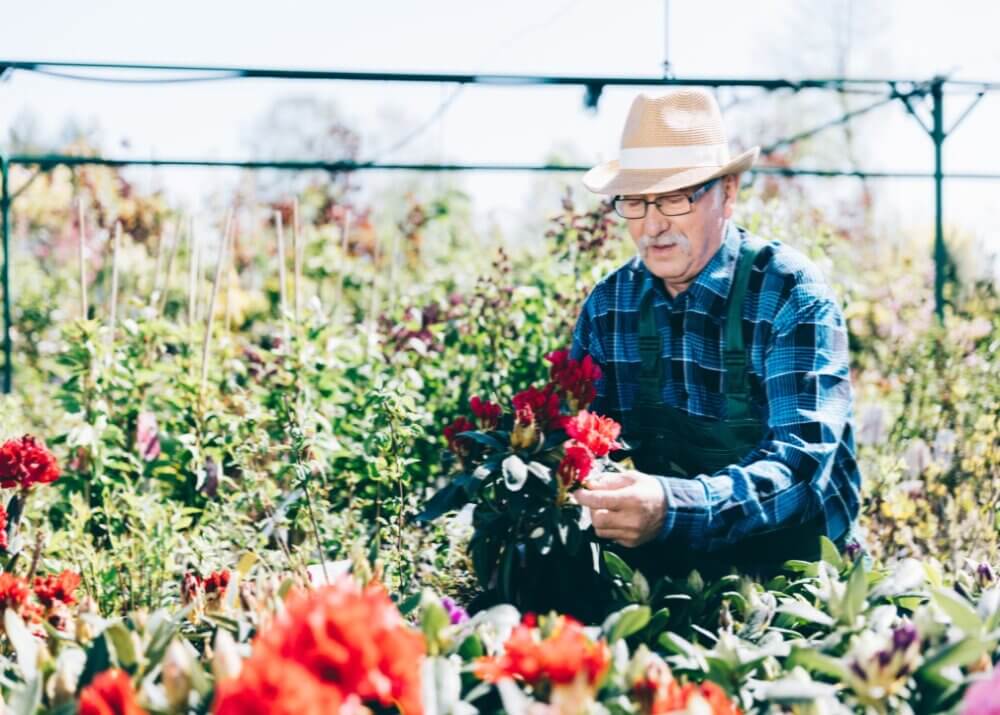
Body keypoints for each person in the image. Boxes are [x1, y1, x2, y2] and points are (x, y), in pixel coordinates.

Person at [571, 88, 864, 578]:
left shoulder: (789, 295)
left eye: (674, 197)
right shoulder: (610, 306)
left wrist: (672, 507)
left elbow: (800, 469)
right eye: (636, 202)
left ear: (727, 193)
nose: (653, 224)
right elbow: (581, 439)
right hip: (664, 578)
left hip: (796, 581)